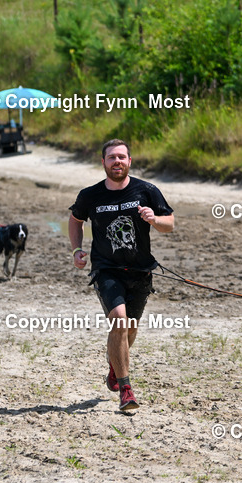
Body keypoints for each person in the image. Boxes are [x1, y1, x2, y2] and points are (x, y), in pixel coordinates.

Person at [68, 139, 174, 412]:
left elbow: (169, 225)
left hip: (140, 271)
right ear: (103, 162)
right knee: (119, 320)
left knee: (131, 328)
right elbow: (75, 219)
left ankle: (115, 367)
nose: (117, 161)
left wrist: (154, 220)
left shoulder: (147, 191)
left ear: (129, 162)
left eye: (122, 157)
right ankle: (126, 389)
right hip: (106, 270)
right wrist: (77, 249)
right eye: (111, 157)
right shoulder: (90, 195)